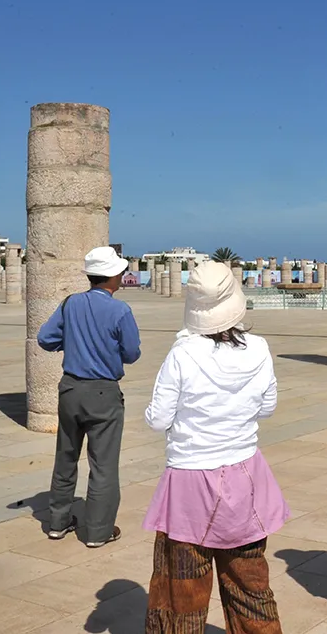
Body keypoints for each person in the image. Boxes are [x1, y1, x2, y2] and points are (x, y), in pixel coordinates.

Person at [142, 261, 289, 633]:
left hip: (191, 479)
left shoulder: (182, 354)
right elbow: (268, 407)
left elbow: (158, 418)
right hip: (244, 473)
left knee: (183, 588)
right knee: (250, 581)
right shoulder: (258, 348)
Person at [37, 246, 142, 547]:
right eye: (120, 272)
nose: (123, 276)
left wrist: (71, 342)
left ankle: (57, 523)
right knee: (103, 464)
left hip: (70, 389)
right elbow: (132, 353)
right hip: (103, 392)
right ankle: (98, 531)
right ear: (111, 277)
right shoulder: (120, 310)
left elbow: (46, 339)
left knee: (65, 456)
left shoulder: (71, 304)